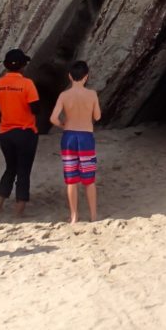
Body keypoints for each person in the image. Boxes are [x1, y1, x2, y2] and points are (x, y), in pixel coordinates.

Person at [0, 49, 40, 217]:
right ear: (23, 66)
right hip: (26, 132)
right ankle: (18, 212)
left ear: (6, 66)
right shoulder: (27, 84)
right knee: (23, 170)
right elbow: (35, 108)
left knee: (10, 168)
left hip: (5, 133)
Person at [50, 60, 102, 223]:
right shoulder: (92, 94)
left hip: (69, 137)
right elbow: (97, 116)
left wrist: (64, 124)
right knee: (89, 179)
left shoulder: (64, 96)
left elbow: (53, 118)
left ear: (70, 77)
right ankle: (93, 216)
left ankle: (74, 217)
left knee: (71, 179)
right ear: (86, 77)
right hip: (86, 136)